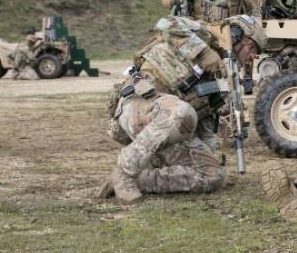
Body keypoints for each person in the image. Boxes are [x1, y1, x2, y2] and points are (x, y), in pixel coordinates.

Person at [97, 14, 265, 204]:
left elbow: (206, 125)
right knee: (182, 112)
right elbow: (165, 22)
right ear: (236, 36)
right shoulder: (202, 34)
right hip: (138, 107)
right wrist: (202, 52)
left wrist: (206, 156)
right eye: (252, 47)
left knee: (214, 175)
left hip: (170, 129)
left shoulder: (221, 75)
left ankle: (140, 180)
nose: (253, 56)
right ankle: (124, 171)